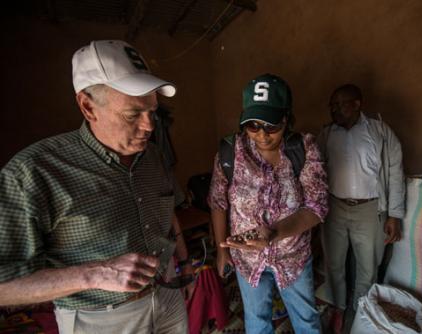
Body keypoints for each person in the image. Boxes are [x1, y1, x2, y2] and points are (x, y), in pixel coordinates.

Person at [0, 40, 194, 334]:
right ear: (88, 106)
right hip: (100, 319)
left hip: (167, 296)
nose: (149, 126)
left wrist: (184, 263)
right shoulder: (31, 173)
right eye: (133, 115)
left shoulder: (153, 156)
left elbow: (168, 216)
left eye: (152, 111)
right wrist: (94, 274)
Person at [208, 73, 328, 334]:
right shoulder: (230, 152)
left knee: (306, 320)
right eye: (253, 125)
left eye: (272, 125)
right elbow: (218, 201)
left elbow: (316, 207)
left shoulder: (304, 149)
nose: (262, 135)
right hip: (247, 259)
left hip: (292, 255)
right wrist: (222, 250)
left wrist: (275, 232)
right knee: (257, 321)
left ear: (287, 118)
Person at [317, 84, 405, 333]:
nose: (334, 109)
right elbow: (315, 172)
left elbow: (395, 174)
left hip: (370, 209)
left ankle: (360, 313)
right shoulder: (326, 135)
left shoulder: (380, 132)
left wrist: (395, 215)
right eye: (331, 105)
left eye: (339, 104)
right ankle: (338, 310)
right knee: (334, 264)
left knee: (368, 266)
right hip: (334, 207)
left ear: (357, 104)